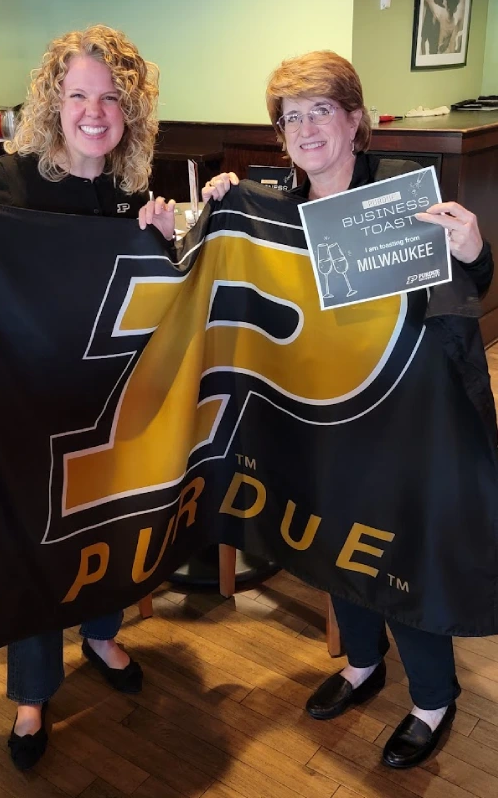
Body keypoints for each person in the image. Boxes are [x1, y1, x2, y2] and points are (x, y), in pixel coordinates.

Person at [199, 50, 494, 770]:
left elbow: (465, 289)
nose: (305, 129)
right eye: (290, 117)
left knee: (401, 547)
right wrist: (221, 204)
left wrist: (474, 248)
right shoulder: (272, 206)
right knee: (337, 538)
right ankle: (363, 665)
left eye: (320, 110)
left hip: (402, 416)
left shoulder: (400, 196)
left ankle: (433, 696)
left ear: (355, 118)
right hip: (320, 412)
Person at [0, 23, 176, 771]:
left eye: (111, 97)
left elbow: (149, 298)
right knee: (38, 544)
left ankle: (102, 633)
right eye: (79, 94)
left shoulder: (130, 190)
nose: (95, 111)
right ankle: (31, 693)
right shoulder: (8, 182)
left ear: (131, 109)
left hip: (104, 403)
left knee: (108, 524)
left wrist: (165, 238)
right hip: (28, 409)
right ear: (55, 100)